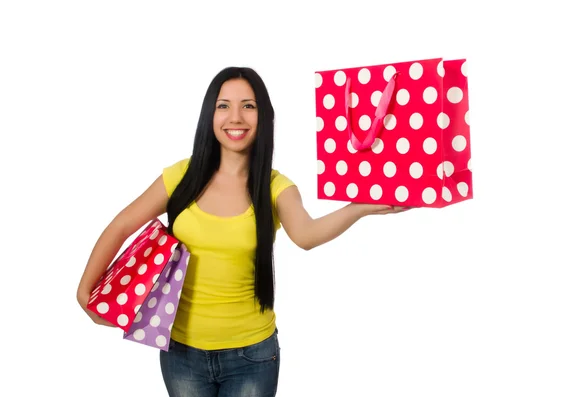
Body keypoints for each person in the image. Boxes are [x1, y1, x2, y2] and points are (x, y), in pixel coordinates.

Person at [76, 66, 410, 397]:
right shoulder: (182, 176)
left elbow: (306, 235)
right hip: (180, 354)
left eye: (248, 106)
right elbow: (122, 225)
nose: (235, 117)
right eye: (224, 106)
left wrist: (361, 207)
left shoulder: (276, 186)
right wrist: (85, 292)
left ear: (263, 117)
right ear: (210, 115)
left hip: (252, 356)